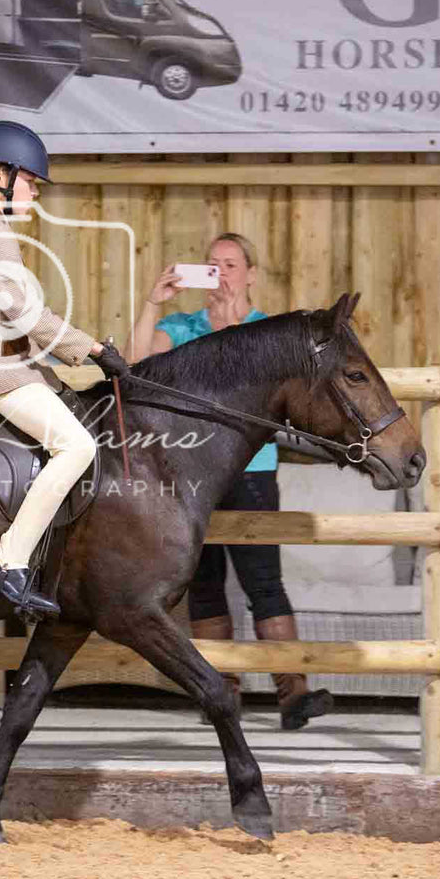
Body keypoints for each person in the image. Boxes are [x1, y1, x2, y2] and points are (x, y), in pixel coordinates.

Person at [129, 232, 333, 730]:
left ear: (251, 274)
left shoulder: (266, 331)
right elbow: (134, 367)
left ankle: (293, 696)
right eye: (213, 263)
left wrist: (232, 323)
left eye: (232, 264)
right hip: (191, 474)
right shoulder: (180, 326)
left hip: (252, 470)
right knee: (204, 586)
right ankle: (222, 696)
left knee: (264, 582)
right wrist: (151, 304)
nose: (221, 272)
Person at [0, 120, 130, 621]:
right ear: (1, 175)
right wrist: (92, 348)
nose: (33, 195)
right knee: (77, 446)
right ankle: (10, 562)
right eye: (30, 184)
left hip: (4, 361)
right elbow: (23, 313)